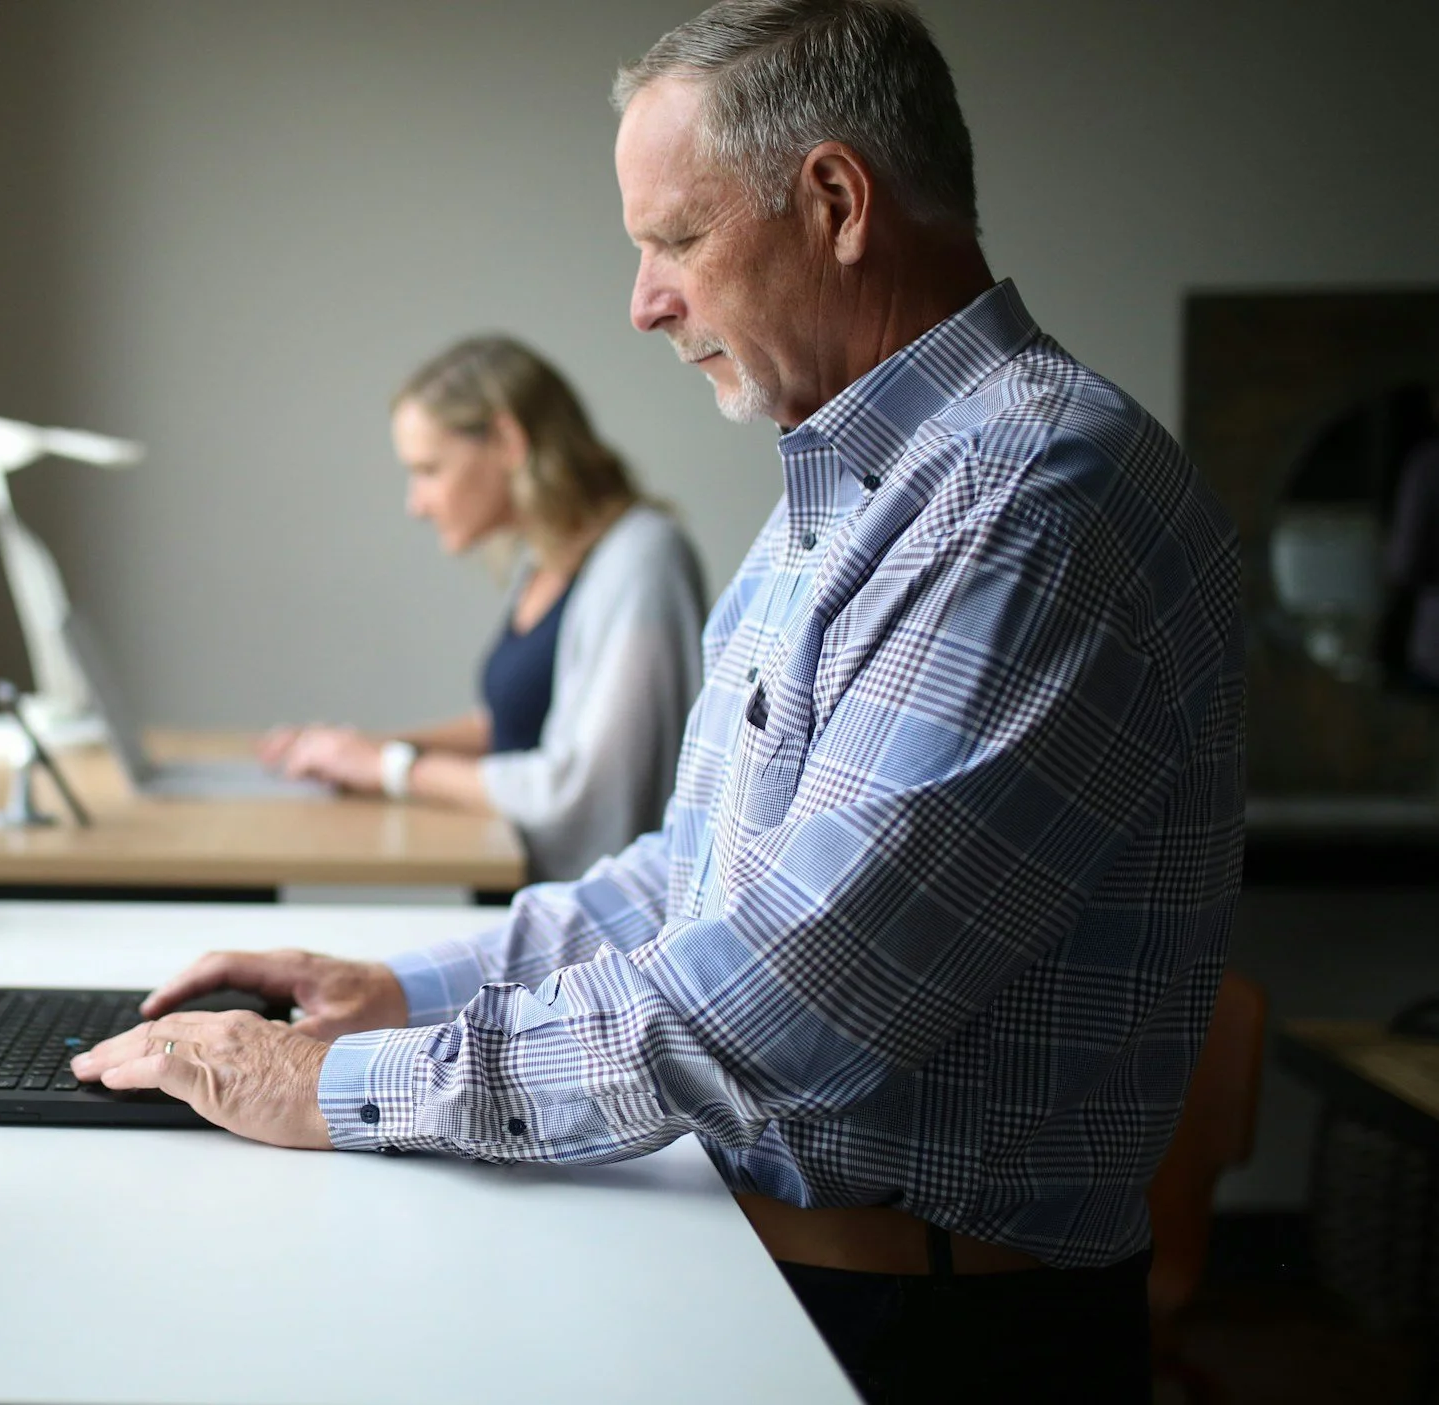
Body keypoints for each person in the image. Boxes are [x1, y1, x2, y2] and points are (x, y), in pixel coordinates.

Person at [73, 2, 1243, 1401]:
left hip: (918, 1339)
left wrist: (327, 1088)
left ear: (834, 201)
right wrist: (390, 989)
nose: (643, 302)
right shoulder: (862, 483)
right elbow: (693, 884)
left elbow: (783, 1004)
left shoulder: (1027, 504)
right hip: (791, 1270)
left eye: (676, 240)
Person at [261, 337, 708, 880]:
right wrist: (357, 749)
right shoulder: (546, 560)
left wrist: (391, 768)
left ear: (506, 441)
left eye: (428, 470)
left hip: (589, 929)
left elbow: (583, 789)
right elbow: (515, 725)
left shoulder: (643, 558)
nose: (415, 503)